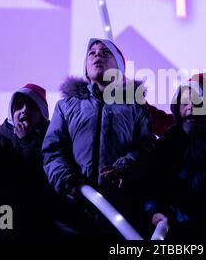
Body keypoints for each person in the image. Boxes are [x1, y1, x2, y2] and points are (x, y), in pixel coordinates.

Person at [42, 38, 154, 238]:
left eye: (105, 52)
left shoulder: (135, 107)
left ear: (119, 67)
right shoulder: (66, 106)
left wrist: (126, 166)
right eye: (91, 53)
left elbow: (146, 149)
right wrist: (68, 181)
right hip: (71, 214)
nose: (97, 55)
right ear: (85, 66)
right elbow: (52, 151)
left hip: (120, 214)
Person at [146, 72, 206, 239]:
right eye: (184, 102)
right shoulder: (164, 146)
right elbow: (151, 183)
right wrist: (153, 210)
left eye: (197, 102)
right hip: (171, 226)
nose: (190, 107)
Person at [0, 84, 56, 239]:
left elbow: (38, 172)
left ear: (42, 113)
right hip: (4, 208)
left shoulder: (51, 137)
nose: (24, 110)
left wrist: (26, 140)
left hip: (36, 211)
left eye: (31, 106)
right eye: (19, 106)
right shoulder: (2, 134)